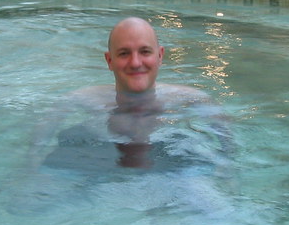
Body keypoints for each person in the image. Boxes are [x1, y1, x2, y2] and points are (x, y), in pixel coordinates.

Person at [29, 17, 229, 175]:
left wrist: (228, 174)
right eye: (124, 53)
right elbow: (35, 151)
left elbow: (228, 150)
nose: (135, 63)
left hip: (172, 171)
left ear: (160, 56)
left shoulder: (192, 99)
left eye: (145, 52)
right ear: (109, 60)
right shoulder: (81, 100)